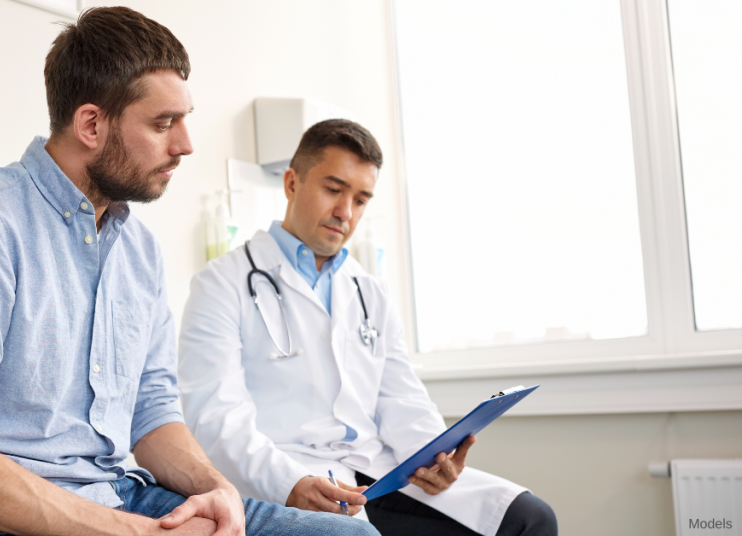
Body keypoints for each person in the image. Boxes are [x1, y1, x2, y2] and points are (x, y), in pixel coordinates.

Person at [0, 8, 379, 536]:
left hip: (123, 496)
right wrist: (139, 534)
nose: (186, 144)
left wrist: (216, 489)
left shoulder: (138, 249)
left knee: (349, 535)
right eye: (164, 123)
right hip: (4, 518)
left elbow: (151, 411)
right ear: (91, 124)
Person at [177, 119, 558, 536]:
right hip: (288, 475)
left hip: (377, 472)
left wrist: (437, 458)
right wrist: (290, 484)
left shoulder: (368, 291)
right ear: (291, 182)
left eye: (360, 199)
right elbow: (215, 418)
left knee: (530, 519)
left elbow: (401, 398)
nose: (346, 212)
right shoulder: (221, 283)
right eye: (333, 189)